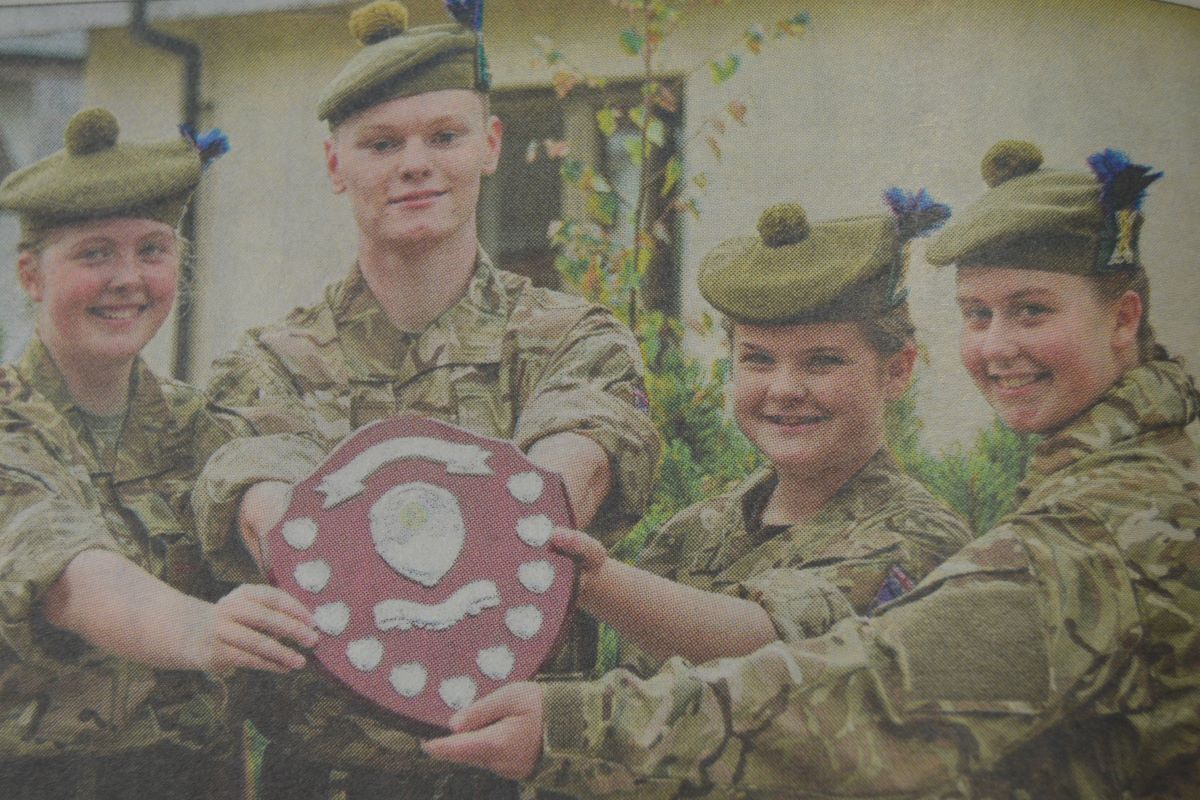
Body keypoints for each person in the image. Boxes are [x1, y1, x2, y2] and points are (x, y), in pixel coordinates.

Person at [423, 140, 1200, 798]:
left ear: (1123, 317)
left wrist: (578, 668)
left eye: (1032, 311)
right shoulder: (704, 532)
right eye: (978, 314)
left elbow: (869, 688)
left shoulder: (1115, 514)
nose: (998, 346)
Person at [188, 2, 659, 798]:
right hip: (324, 778)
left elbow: (563, 492)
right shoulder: (268, 366)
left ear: (491, 145)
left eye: (443, 136)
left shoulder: (575, 341)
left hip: (518, 776)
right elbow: (273, 523)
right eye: (381, 144)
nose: (414, 164)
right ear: (335, 165)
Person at [0, 108, 318, 800]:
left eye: (152, 250)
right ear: (31, 275)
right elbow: (68, 577)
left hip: (195, 780)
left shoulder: (197, 425)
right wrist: (203, 630)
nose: (128, 279)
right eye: (94, 253)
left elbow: (273, 489)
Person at [546, 190, 972, 673]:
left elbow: (769, 652)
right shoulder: (693, 533)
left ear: (896, 371)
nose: (785, 388)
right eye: (758, 359)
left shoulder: (921, 538)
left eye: (823, 361)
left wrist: (593, 580)